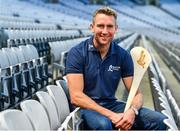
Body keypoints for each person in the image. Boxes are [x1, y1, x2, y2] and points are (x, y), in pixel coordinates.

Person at [65, 6, 167, 130]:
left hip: (111, 104)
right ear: (92, 27)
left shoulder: (122, 55)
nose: (105, 31)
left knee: (159, 121)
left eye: (109, 26)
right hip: (86, 108)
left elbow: (137, 94)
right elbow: (76, 97)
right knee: (104, 124)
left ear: (116, 29)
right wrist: (111, 115)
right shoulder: (77, 53)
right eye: (100, 26)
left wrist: (132, 112)